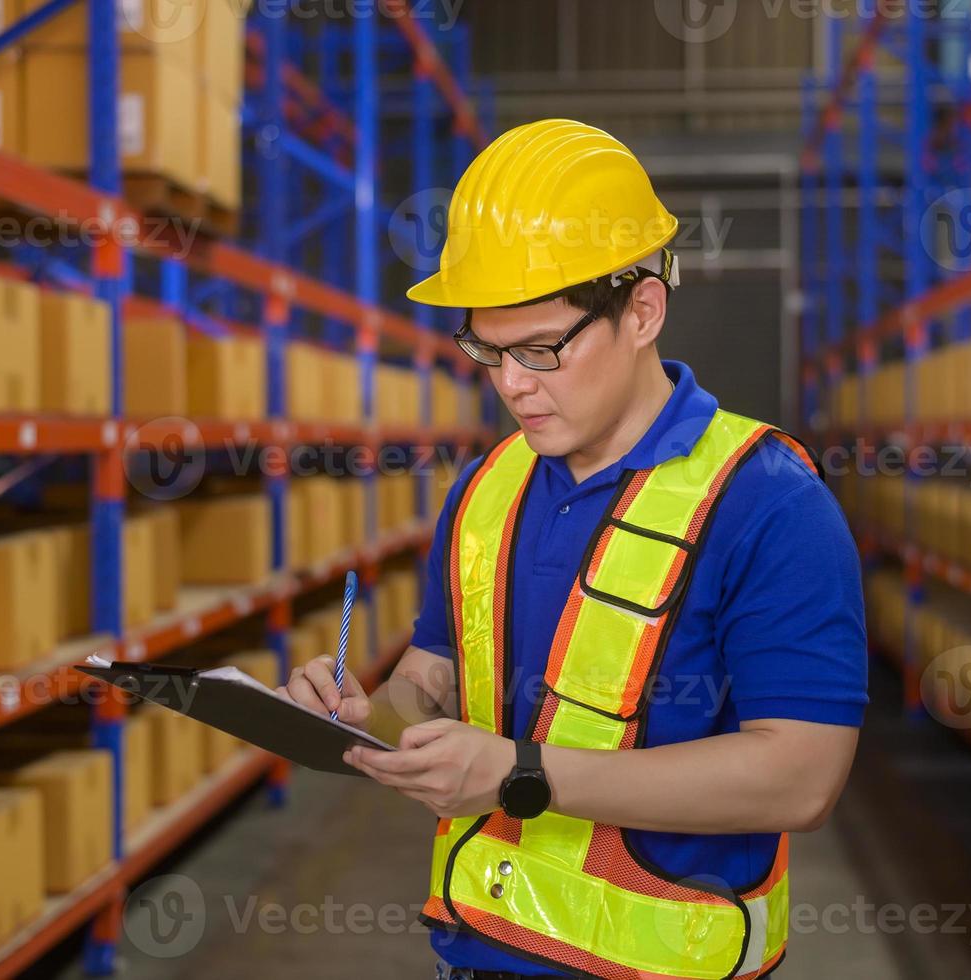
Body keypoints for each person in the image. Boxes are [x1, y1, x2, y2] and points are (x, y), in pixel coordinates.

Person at [279, 118, 867, 980]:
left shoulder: (768, 503)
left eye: (541, 348)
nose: (512, 382)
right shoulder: (486, 491)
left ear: (642, 311)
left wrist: (524, 773)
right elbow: (433, 676)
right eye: (487, 349)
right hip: (475, 949)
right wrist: (371, 713)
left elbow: (800, 778)